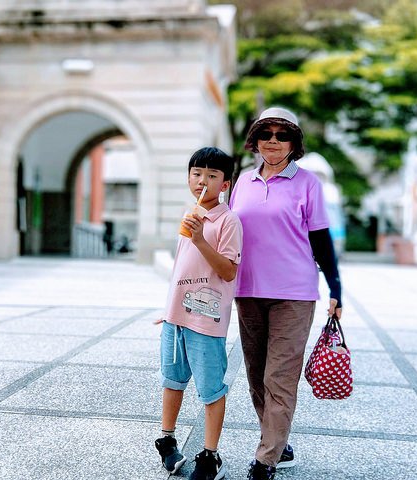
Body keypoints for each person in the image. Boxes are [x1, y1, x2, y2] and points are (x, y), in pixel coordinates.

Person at [228, 107, 343, 480]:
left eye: (282, 135)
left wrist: (336, 288)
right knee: (256, 373)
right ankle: (276, 439)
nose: (273, 142)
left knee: (280, 376)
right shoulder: (242, 181)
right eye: (266, 134)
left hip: (294, 292)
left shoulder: (308, 183)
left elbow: (321, 240)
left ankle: (266, 460)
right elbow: (227, 234)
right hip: (246, 290)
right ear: (255, 139)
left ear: (294, 143)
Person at [155, 146, 243, 480]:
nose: (201, 180)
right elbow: (182, 269)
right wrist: (168, 308)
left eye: (211, 175)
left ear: (225, 185)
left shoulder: (228, 221)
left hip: (207, 322)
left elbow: (228, 271)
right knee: (172, 380)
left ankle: (210, 455)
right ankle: (166, 439)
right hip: (176, 317)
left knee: (211, 390)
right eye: (196, 173)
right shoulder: (189, 212)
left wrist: (201, 239)